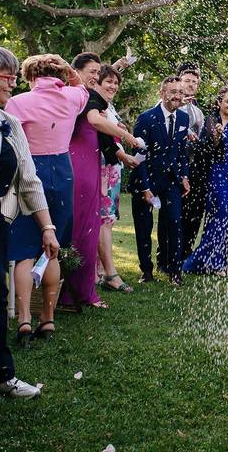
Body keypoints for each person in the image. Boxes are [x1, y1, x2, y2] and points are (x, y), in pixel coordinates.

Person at [0, 45, 58, 398]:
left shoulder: (11, 124)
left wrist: (46, 227)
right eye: (8, 77)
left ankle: (0, 377)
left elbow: (29, 180)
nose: (14, 84)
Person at [7, 55, 85, 338]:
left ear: (29, 76)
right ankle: (48, 318)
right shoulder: (73, 97)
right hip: (63, 173)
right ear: (61, 73)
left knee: (24, 250)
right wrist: (69, 72)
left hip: (30, 172)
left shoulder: (18, 102)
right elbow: (82, 87)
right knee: (53, 247)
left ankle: (25, 319)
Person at [60, 52, 140, 308]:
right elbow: (94, 121)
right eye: (93, 72)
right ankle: (76, 291)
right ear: (77, 71)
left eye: (98, 72)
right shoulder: (83, 96)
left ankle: (81, 287)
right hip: (81, 161)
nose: (96, 77)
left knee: (89, 224)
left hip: (90, 160)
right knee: (84, 225)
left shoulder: (84, 94)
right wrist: (128, 139)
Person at [130, 77, 191, 285]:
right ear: (161, 93)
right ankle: (146, 271)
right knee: (144, 226)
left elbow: (181, 151)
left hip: (171, 180)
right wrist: (146, 187)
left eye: (180, 92)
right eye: (173, 91)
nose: (177, 96)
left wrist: (184, 176)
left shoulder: (183, 119)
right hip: (146, 180)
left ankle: (175, 271)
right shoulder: (146, 118)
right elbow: (139, 156)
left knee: (175, 223)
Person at [184, 87, 228, 274]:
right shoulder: (211, 120)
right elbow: (205, 150)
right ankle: (211, 262)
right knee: (219, 215)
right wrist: (216, 137)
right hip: (215, 173)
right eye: (227, 101)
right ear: (219, 102)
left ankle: (219, 258)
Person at [95, 64, 138, 293]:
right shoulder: (98, 109)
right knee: (104, 220)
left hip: (112, 170)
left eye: (116, 83)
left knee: (107, 220)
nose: (113, 86)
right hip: (102, 168)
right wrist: (125, 151)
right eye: (108, 82)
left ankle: (101, 271)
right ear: (97, 83)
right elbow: (105, 140)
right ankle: (107, 273)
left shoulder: (108, 107)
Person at [177, 65, 208, 260]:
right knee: (176, 212)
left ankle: (186, 252)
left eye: (194, 82)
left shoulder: (198, 112)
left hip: (195, 166)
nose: (190, 84)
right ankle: (170, 253)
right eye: (187, 80)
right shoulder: (168, 105)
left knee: (194, 212)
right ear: (180, 81)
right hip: (176, 165)